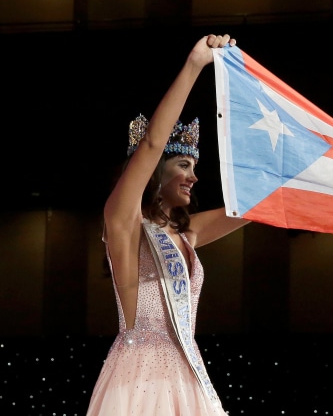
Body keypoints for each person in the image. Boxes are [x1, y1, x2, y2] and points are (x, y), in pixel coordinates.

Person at [86, 34, 248, 415]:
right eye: (183, 165)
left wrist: (330, 161)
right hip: (139, 377)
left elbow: (262, 206)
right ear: (157, 172)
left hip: (187, 373)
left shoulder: (187, 235)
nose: (193, 176)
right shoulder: (124, 225)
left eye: (194, 167)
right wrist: (194, 64)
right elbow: (152, 143)